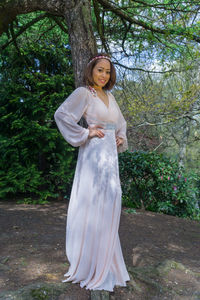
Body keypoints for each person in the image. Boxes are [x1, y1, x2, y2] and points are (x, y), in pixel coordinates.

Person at [54, 53, 130, 291]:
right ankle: (91, 264)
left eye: (107, 71)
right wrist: (86, 132)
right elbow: (62, 115)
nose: (103, 75)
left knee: (111, 200)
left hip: (110, 156)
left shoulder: (110, 97)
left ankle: (107, 261)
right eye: (100, 70)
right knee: (96, 203)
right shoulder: (84, 93)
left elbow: (121, 123)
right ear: (91, 70)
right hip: (94, 155)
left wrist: (120, 137)